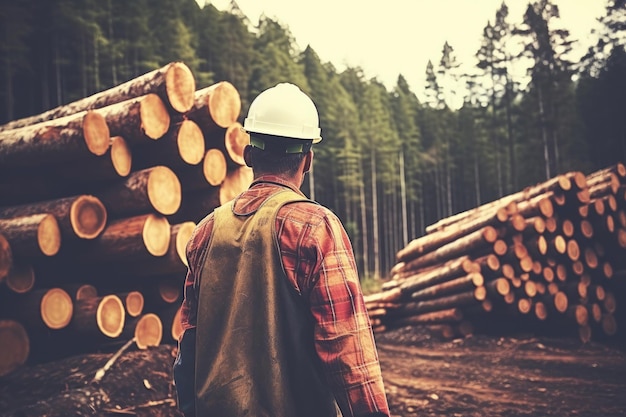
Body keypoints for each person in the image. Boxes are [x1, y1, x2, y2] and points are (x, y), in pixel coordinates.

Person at [173, 82, 390, 417]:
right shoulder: (314, 228)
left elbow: (188, 349)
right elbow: (348, 352)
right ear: (308, 160)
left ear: (247, 155)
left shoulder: (205, 233)